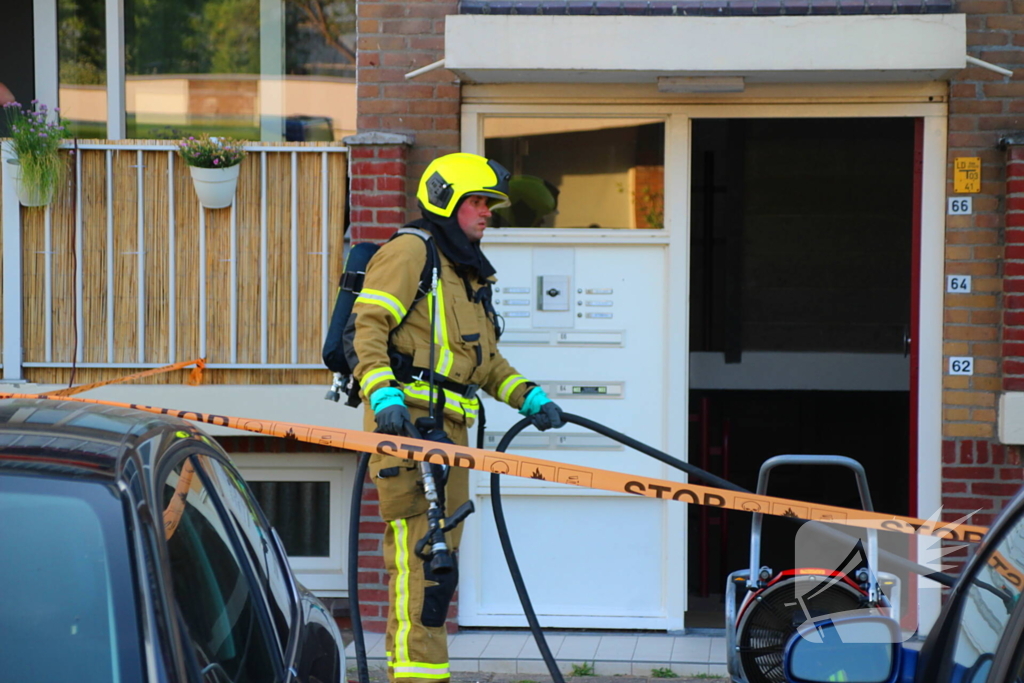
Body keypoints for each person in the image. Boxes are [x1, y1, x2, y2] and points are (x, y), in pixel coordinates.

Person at [345, 152, 566, 683]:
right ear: (446, 202)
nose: (486, 212)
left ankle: (424, 672)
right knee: (421, 563)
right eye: (476, 201)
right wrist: (383, 399)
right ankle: (416, 677)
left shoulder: (465, 272)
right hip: (409, 430)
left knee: (440, 571)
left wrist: (530, 397)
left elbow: (485, 365)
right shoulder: (409, 253)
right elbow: (366, 330)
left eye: (489, 203)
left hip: (452, 438)